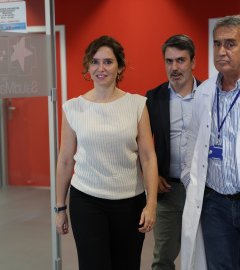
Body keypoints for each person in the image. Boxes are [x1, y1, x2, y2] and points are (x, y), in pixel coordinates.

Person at [54, 35, 158, 270]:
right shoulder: (73, 108)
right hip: (86, 200)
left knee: (127, 265)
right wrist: (60, 207)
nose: (101, 68)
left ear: (120, 66)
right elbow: (64, 161)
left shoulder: (137, 105)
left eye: (108, 62)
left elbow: (148, 157)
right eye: (95, 61)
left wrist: (151, 204)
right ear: (87, 67)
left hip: (130, 203)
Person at [181, 15, 240, 270]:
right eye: (217, 44)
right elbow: (192, 142)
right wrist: (190, 181)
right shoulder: (204, 92)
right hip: (214, 203)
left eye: (230, 44)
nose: (222, 51)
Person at [145, 34, 201, 270]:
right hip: (167, 189)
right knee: (163, 257)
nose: (174, 68)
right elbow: (143, 144)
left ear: (193, 62)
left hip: (204, 191)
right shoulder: (153, 97)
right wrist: (152, 175)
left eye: (181, 60)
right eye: (169, 61)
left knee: (202, 253)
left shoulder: (208, 95)